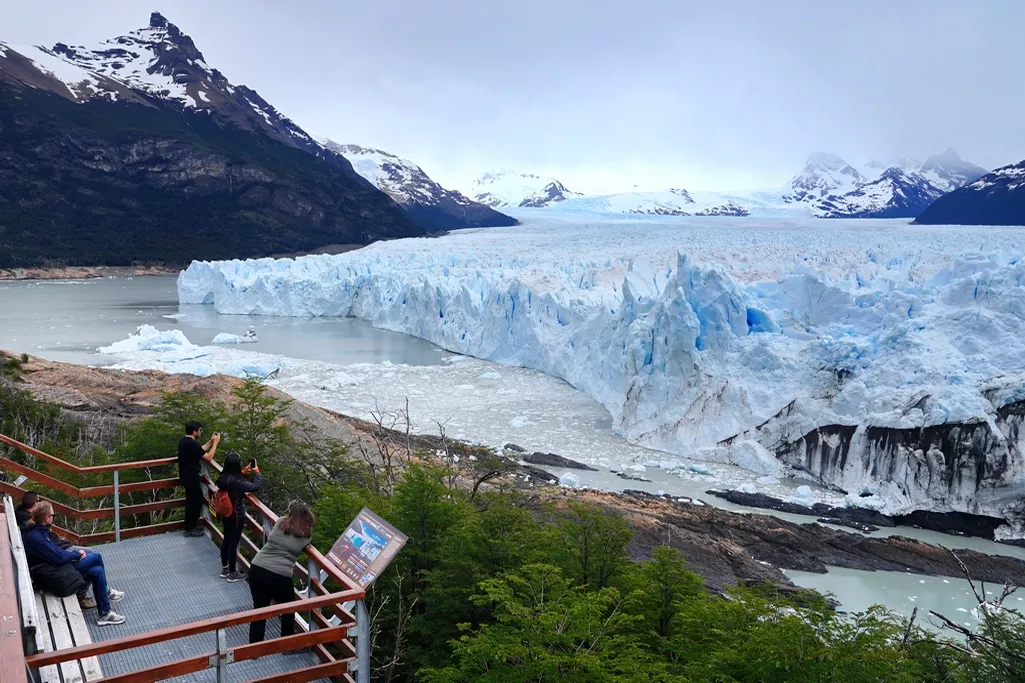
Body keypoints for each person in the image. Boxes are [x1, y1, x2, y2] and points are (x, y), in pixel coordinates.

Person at [24, 502, 126, 626]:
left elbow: (55, 553)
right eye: (53, 515)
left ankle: (105, 613)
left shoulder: (39, 533)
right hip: (53, 577)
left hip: (56, 570)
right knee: (96, 557)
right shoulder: (36, 537)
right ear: (47, 518)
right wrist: (76, 555)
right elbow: (58, 557)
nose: (53, 517)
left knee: (97, 571)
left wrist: (71, 557)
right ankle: (105, 592)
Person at [248, 500, 314, 646]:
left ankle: (253, 647)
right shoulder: (306, 536)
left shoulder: (280, 522)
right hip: (279, 576)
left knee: (259, 610)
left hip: (257, 568)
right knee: (288, 608)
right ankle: (287, 643)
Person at [16, 492, 97, 609]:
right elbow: (56, 555)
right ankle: (82, 594)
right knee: (91, 555)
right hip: (47, 563)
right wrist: (74, 554)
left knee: (94, 563)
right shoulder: (32, 529)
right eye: (38, 500)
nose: (39, 502)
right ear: (34, 504)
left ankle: (98, 592)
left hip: (50, 553)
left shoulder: (27, 520)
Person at [216, 451, 261, 582]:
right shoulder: (235, 482)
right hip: (236, 515)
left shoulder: (223, 477)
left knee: (227, 540)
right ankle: (232, 573)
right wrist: (257, 473)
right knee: (233, 543)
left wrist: (244, 471)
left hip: (226, 514)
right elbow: (255, 486)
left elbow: (234, 480)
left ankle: (225, 569)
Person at [178, 420, 220, 537]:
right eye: (200, 430)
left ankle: (190, 527)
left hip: (186, 476)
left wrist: (211, 441)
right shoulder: (191, 444)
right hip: (191, 477)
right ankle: (190, 529)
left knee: (192, 501)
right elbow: (208, 458)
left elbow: (199, 449)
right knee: (195, 502)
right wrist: (216, 443)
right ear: (194, 432)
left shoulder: (184, 441)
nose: (201, 432)